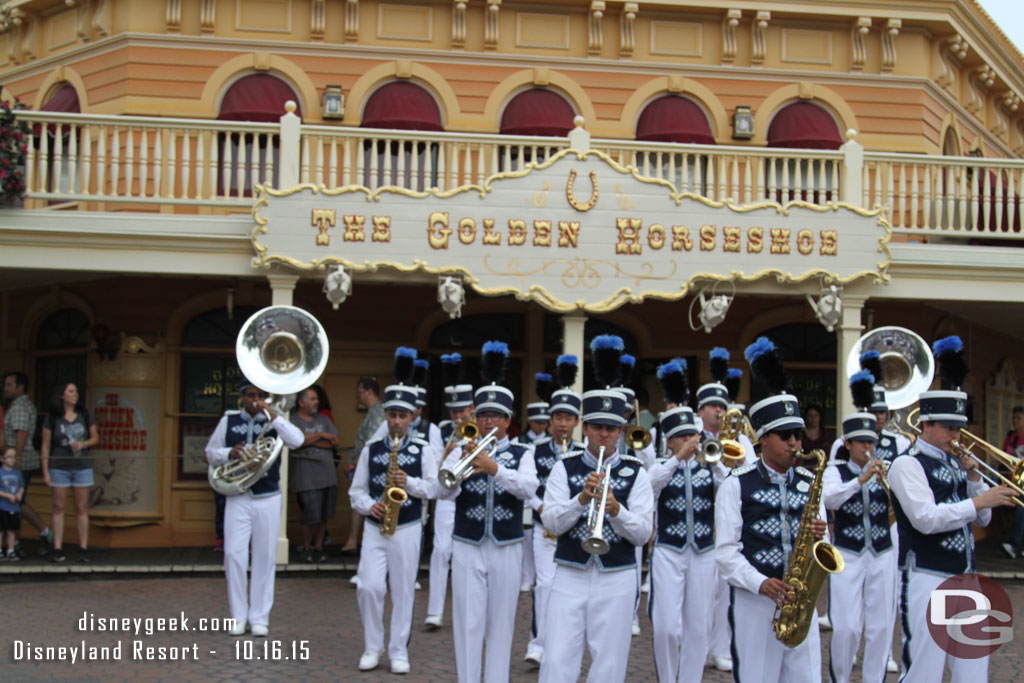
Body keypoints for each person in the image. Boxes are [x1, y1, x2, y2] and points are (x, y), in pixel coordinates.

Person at [889, 336, 1015, 681]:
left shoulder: (958, 464)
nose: (957, 436)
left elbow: (984, 518)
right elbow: (926, 519)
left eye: (960, 427)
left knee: (974, 670)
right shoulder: (906, 465)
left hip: (967, 575)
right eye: (948, 428)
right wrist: (977, 500)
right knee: (925, 670)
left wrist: (975, 477)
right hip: (927, 573)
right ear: (926, 424)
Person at [538, 335, 654, 683]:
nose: (603, 436)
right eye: (597, 428)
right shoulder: (566, 467)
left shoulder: (636, 472)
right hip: (570, 571)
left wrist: (616, 509)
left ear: (621, 431)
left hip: (616, 575)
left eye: (611, 429)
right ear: (584, 428)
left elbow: (643, 533)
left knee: (609, 664)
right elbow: (551, 521)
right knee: (558, 658)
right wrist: (582, 500)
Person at [715, 337, 828, 683]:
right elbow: (725, 554)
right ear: (763, 439)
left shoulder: (811, 480)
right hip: (755, 601)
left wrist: (821, 539)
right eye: (786, 436)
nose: (796, 443)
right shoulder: (736, 483)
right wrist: (762, 583)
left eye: (797, 435)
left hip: (800, 601)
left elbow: (824, 548)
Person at [435, 340, 538, 683]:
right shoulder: (462, 447)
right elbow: (442, 491)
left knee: (502, 622)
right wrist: (458, 461)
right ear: (475, 418)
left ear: (509, 421)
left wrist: (494, 468)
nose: (489, 420)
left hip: (507, 545)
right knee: (467, 621)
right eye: (483, 415)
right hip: (467, 543)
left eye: (496, 416)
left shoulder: (523, 452)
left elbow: (528, 489)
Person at [350, 358, 438, 675]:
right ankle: (372, 647)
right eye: (392, 415)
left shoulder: (423, 450)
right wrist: (368, 505)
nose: (397, 421)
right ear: (386, 416)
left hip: (408, 526)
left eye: (403, 416)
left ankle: (398, 650)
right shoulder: (372, 450)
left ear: (412, 417)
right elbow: (356, 491)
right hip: (376, 526)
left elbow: (433, 488)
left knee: (402, 590)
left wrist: (408, 483)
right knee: (369, 587)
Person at [205, 377, 304, 637]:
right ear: (242, 396)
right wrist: (231, 453)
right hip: (238, 495)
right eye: (250, 395)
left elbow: (297, 441)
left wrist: (274, 415)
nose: (255, 400)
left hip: (268, 496)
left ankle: (260, 617)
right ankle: (238, 616)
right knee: (234, 555)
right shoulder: (229, 420)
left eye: (260, 395)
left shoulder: (274, 420)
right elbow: (210, 453)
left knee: (265, 557)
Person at [649, 397, 728, 683]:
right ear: (670, 441)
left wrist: (714, 460)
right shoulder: (661, 467)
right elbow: (649, 486)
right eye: (682, 437)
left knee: (699, 626)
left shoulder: (709, 468)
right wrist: (676, 459)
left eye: (692, 436)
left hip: (704, 551)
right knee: (666, 627)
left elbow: (731, 487)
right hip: (669, 550)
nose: (689, 442)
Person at [823, 385, 896, 683]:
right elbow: (829, 500)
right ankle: (841, 677)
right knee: (846, 626)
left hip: (881, 551)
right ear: (849, 444)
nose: (868, 447)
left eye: (872, 441)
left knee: (880, 626)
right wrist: (860, 480)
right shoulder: (835, 471)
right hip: (848, 553)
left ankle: (874, 679)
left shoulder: (887, 469)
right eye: (862, 442)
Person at [523, 355, 582, 666]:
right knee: (544, 585)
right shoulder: (535, 450)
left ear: (575, 422)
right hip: (543, 529)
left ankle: (565, 645)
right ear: (550, 419)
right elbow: (528, 488)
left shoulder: (585, 453)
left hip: (573, 530)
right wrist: (542, 506)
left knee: (571, 588)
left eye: (568, 418)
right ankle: (538, 643)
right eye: (557, 417)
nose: (562, 424)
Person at [699, 347, 754, 673]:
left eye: (722, 406)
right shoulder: (688, 436)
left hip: (730, 524)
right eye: (712, 406)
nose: (718, 412)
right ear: (701, 409)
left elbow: (747, 474)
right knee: (698, 593)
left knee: (723, 593)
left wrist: (721, 464)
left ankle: (720, 648)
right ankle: (698, 645)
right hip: (700, 521)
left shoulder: (741, 440)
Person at [425, 352, 474, 629]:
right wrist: (447, 453)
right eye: (454, 411)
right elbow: (433, 467)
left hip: (470, 496)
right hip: (447, 496)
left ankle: (465, 611)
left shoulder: (480, 429)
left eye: (462, 411)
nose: (457, 416)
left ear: (472, 408)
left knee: (467, 554)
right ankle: (435, 610)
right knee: (441, 549)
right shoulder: (440, 430)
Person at [40, 382, 99, 563]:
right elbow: (46, 445)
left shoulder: (85, 414)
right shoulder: (52, 417)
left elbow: (95, 438)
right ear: (62, 395)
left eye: (76, 391)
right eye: (71, 391)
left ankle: (83, 548)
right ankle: (57, 548)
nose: (75, 394)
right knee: (59, 507)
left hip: (82, 465)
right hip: (59, 466)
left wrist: (82, 444)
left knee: (81, 508)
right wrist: (45, 470)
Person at [2, 372, 52, 554]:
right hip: (18, 459)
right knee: (12, 502)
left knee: (15, 501)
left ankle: (45, 530)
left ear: (20, 387)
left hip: (19, 461)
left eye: (9, 385)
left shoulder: (20, 407)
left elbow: (21, 433)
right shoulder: (17, 405)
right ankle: (14, 542)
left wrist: (16, 459)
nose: (6, 388)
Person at [289, 387, 340, 564]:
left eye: (317, 399)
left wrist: (311, 440)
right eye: (312, 399)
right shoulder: (293, 420)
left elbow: (334, 442)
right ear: (301, 402)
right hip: (306, 477)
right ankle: (307, 547)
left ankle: (319, 548)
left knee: (324, 516)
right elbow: (297, 441)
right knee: (310, 515)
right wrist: (320, 435)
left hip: (327, 475)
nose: (316, 402)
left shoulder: (324, 419)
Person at [342, 376, 383, 555]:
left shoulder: (377, 414)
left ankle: (356, 542)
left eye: (359, 392)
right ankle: (353, 540)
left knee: (364, 500)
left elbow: (372, 444)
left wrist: (355, 463)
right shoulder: (372, 412)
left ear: (368, 392)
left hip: (369, 465)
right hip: (361, 463)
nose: (357, 396)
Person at [1000, 405, 1024, 558]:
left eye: (1019, 418)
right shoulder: (1011, 436)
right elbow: (1003, 458)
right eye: (1014, 418)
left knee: (1022, 509)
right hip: (1012, 481)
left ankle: (1014, 544)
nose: (1015, 421)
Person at [0, 447, 25, 560]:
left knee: (11, 530)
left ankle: (11, 550)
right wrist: (7, 496)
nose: (12, 459)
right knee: (1, 529)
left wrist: (19, 494)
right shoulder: (0, 472)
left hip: (14, 507)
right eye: (9, 457)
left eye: (14, 457)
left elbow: (21, 486)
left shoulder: (17, 473)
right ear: (2, 458)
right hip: (2, 506)